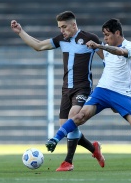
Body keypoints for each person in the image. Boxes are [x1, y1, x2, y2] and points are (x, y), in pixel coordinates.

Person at [46, 18, 131, 170]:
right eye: (104, 35)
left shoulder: (129, 46)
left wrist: (100, 46)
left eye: (107, 35)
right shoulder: (106, 48)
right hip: (102, 91)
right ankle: (55, 139)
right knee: (80, 116)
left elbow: (120, 52)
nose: (105, 38)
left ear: (117, 33)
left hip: (122, 95)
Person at [11, 11, 105, 171]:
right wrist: (21, 32)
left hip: (83, 88)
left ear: (73, 25)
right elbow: (38, 46)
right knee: (68, 126)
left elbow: (107, 60)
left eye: (64, 27)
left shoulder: (91, 39)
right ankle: (93, 148)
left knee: (72, 117)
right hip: (66, 90)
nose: (61, 30)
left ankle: (68, 162)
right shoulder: (62, 39)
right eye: (60, 27)